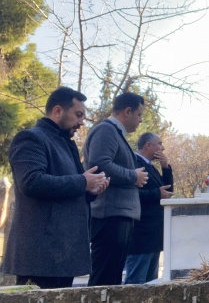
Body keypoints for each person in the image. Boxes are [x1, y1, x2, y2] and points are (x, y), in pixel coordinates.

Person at [1, 87, 110, 289]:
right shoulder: (30, 138)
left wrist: (89, 190)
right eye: (78, 115)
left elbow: (68, 189)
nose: (81, 122)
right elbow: (31, 182)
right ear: (58, 111)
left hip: (62, 254)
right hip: (41, 255)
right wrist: (82, 182)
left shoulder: (65, 144)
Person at [83, 92, 149, 286]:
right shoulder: (106, 130)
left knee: (111, 280)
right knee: (104, 279)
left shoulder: (115, 133)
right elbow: (100, 164)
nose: (140, 120)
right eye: (139, 115)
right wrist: (133, 176)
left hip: (118, 215)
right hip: (110, 216)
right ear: (127, 111)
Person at [123, 132, 174, 284]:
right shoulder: (134, 163)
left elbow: (167, 191)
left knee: (150, 284)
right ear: (148, 145)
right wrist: (156, 194)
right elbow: (131, 194)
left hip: (153, 237)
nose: (162, 148)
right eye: (159, 143)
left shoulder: (151, 167)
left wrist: (165, 168)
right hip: (140, 236)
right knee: (135, 284)